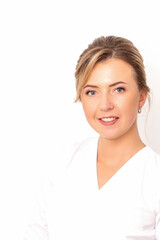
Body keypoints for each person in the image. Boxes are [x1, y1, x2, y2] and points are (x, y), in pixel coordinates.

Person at [24, 36, 160, 240]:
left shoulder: (154, 178)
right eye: (91, 92)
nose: (105, 104)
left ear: (141, 97)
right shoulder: (62, 162)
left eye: (118, 89)